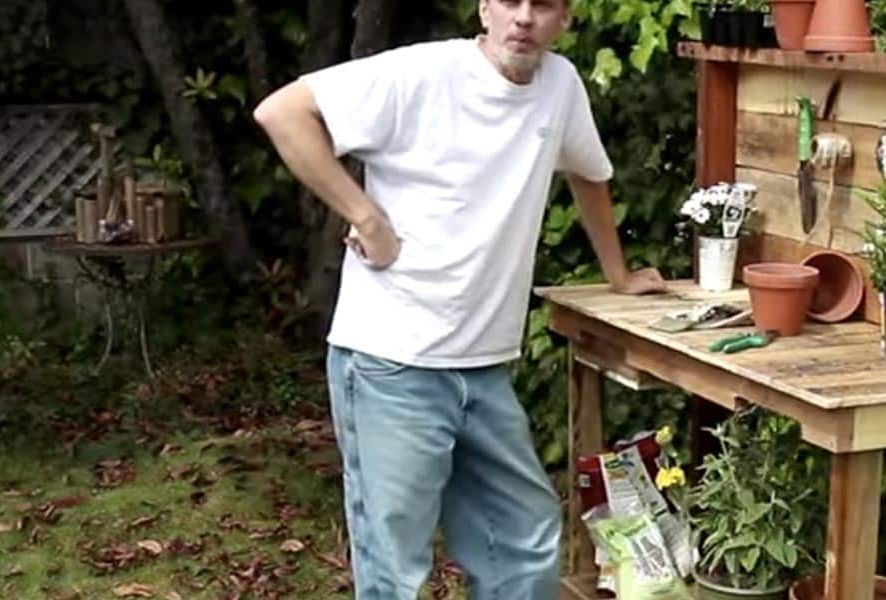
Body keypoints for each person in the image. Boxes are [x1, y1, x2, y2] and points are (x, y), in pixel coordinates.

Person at [253, 0, 668, 598]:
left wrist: (619, 275)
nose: (523, 18)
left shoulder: (561, 86)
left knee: (524, 541)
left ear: (566, 19)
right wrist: (364, 215)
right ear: (484, 9)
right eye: (509, 2)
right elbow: (284, 112)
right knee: (396, 570)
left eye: (543, 5)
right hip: (391, 364)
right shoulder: (420, 75)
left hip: (484, 369)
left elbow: (590, 173)